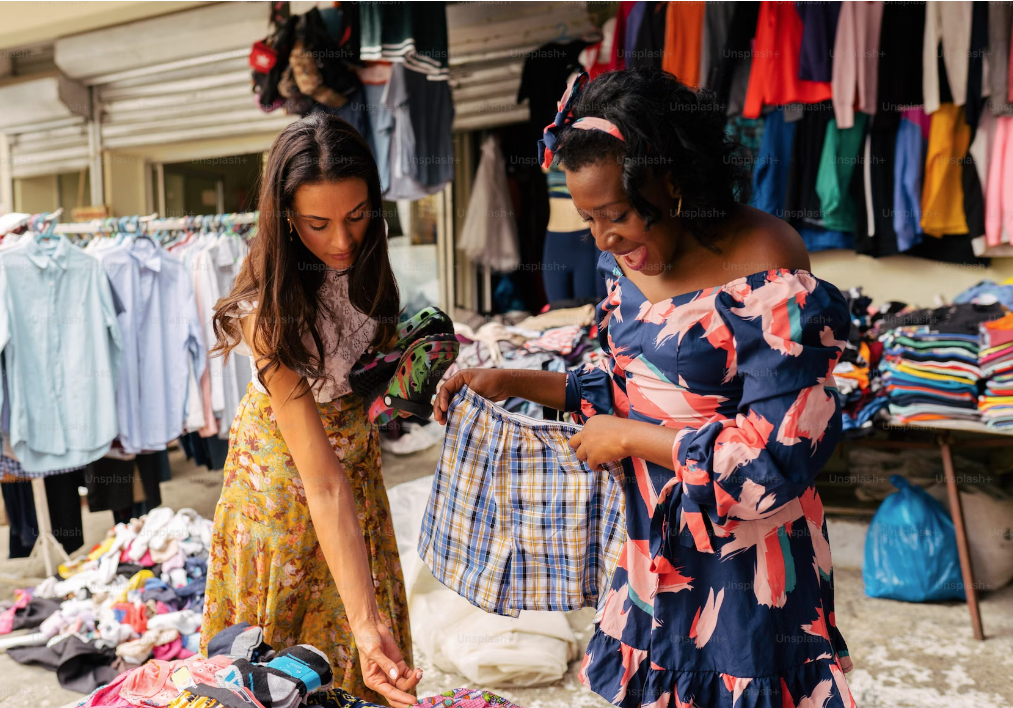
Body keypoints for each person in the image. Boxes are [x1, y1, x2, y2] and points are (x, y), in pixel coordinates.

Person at [434, 69, 856, 707]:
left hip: (746, 564)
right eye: (589, 220)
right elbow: (625, 386)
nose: (604, 240)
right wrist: (511, 381)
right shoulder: (625, 264)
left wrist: (629, 437)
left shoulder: (767, 263)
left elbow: (775, 462)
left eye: (619, 215)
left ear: (675, 179)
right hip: (652, 549)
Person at [206, 114, 420, 707]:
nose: (342, 241)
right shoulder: (266, 311)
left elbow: (360, 377)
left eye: (356, 217)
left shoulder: (366, 268)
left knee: (356, 665)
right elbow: (320, 484)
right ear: (285, 219)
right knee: (282, 669)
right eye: (317, 224)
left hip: (353, 479)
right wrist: (365, 620)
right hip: (284, 492)